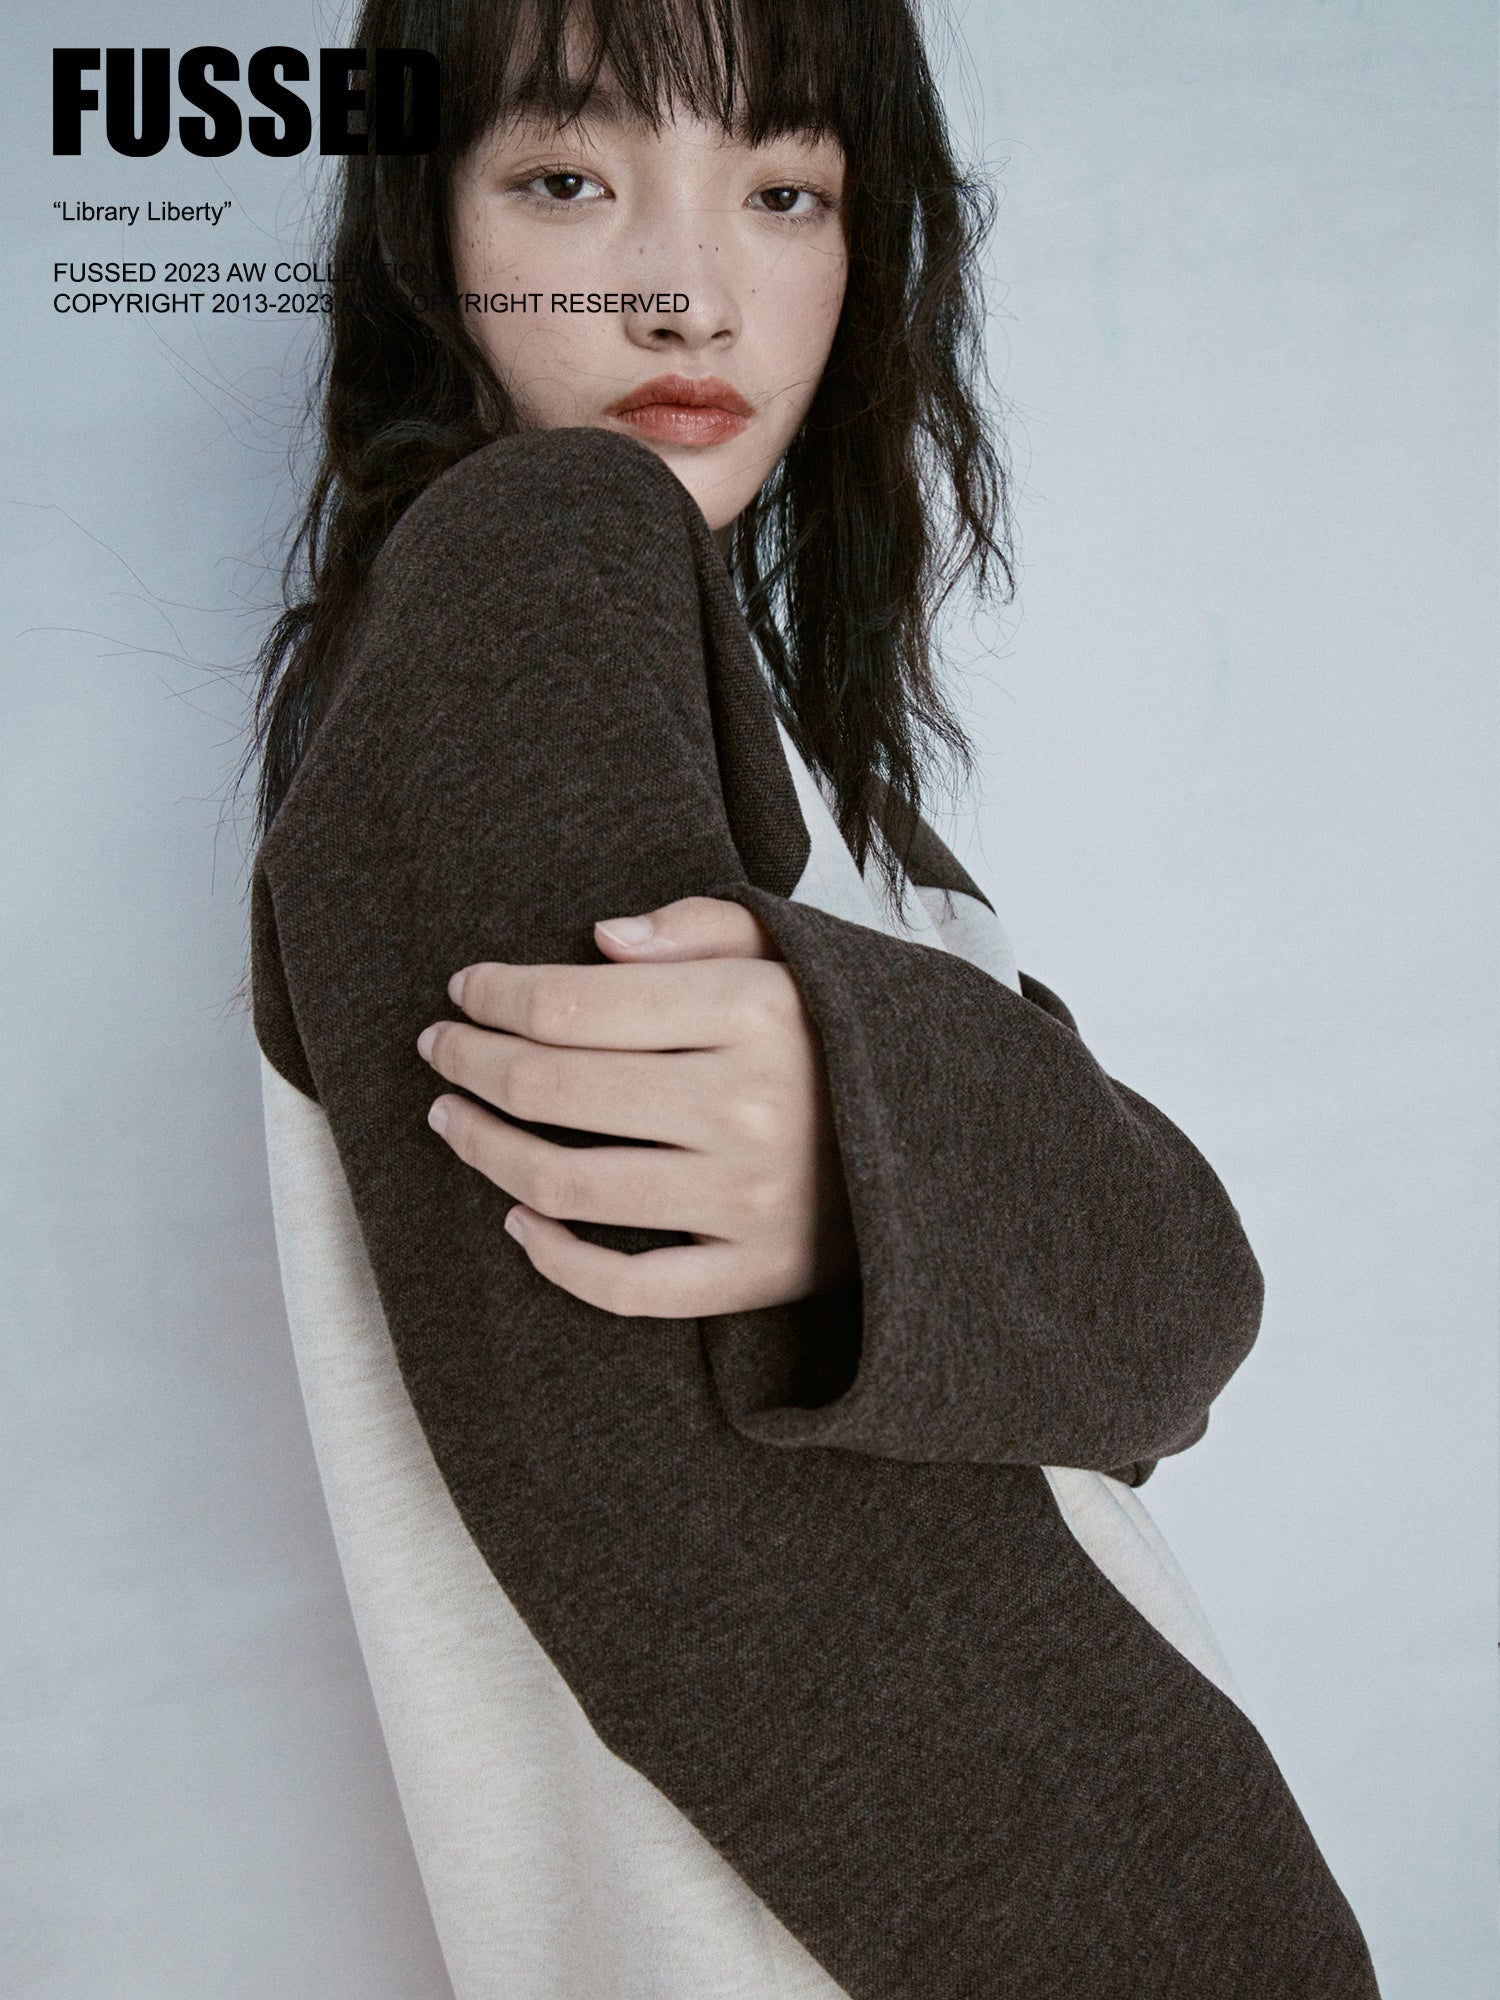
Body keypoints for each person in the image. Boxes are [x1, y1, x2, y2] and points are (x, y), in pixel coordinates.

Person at [247, 2, 1382, 1993]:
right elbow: (700, 1538)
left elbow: (1188, 1311)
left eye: (782, 190)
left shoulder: (837, 813)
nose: (688, 293)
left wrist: (892, 1151)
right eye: (570, 178)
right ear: (431, 232)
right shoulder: (527, 568)